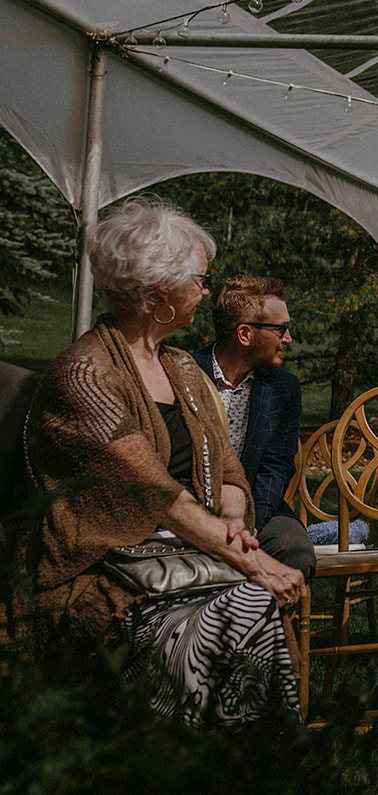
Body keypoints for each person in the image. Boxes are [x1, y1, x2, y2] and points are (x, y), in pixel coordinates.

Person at [9, 196, 303, 724]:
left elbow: (230, 473)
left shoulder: (183, 369)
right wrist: (249, 559)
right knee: (242, 603)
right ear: (160, 291)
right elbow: (152, 493)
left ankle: (249, 764)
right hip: (104, 567)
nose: (208, 290)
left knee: (247, 601)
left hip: (189, 556)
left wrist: (234, 528)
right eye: (202, 278)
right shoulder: (85, 376)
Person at [192, 276, 314, 585]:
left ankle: (258, 630)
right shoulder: (184, 374)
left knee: (295, 552)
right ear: (245, 334)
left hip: (259, 509)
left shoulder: (284, 388)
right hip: (191, 509)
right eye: (280, 329)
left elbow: (276, 466)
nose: (287, 339)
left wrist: (248, 525)